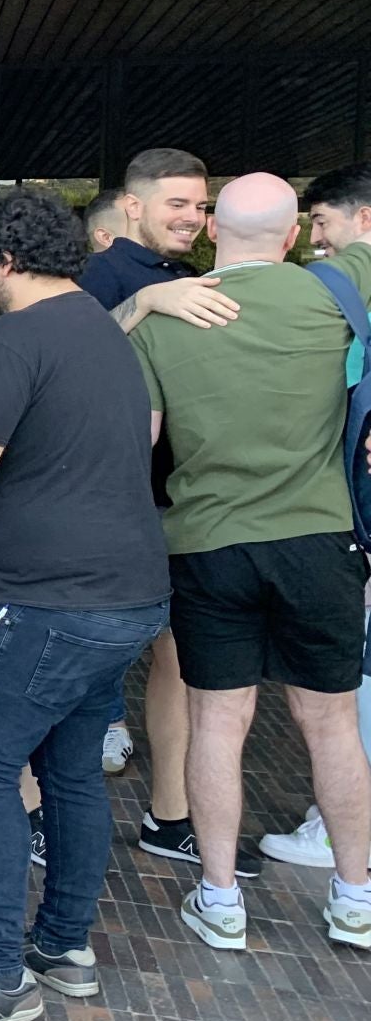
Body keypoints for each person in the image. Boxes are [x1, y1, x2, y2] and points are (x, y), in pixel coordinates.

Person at [0, 189, 171, 1021]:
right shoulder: (100, 328)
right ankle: (62, 947)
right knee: (72, 769)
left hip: (43, 602)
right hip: (124, 592)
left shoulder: (17, 337)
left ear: (2, 259)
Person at [130, 173, 371, 953]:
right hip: (319, 537)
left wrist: (140, 306)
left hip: (206, 542)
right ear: (296, 235)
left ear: (210, 233)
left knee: (217, 721)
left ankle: (221, 898)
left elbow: (142, 442)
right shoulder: (333, 293)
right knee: (332, 724)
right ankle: (356, 898)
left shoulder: (169, 319)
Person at [74, 149, 258, 871]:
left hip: (178, 499)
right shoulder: (102, 278)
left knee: (178, 660)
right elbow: (69, 362)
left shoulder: (187, 278)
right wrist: (143, 306)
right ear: (133, 206)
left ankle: (171, 817)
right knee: (84, 660)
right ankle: (48, 817)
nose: (193, 217)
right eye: (177, 203)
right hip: (110, 504)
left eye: (201, 205)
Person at [258, 162, 371, 868]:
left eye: (323, 223)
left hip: (340, 501)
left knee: (350, 682)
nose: (316, 241)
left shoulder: (335, 281)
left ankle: (340, 834)